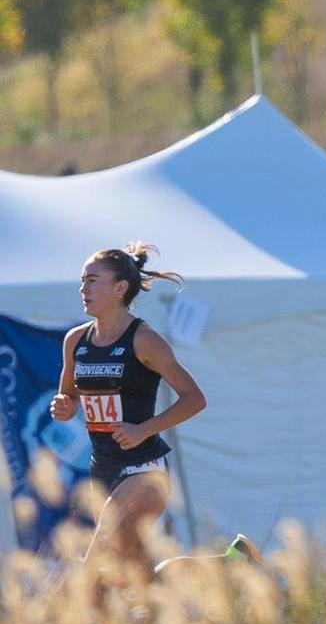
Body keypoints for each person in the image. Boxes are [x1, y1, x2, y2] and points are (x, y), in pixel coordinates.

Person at [49, 244, 208, 573]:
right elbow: (68, 397)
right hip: (102, 470)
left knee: (95, 572)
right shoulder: (75, 340)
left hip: (144, 470)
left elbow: (194, 398)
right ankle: (232, 563)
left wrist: (143, 429)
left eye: (92, 281)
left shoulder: (144, 340)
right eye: (82, 281)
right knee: (139, 579)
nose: (83, 289)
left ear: (120, 288)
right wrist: (64, 407)